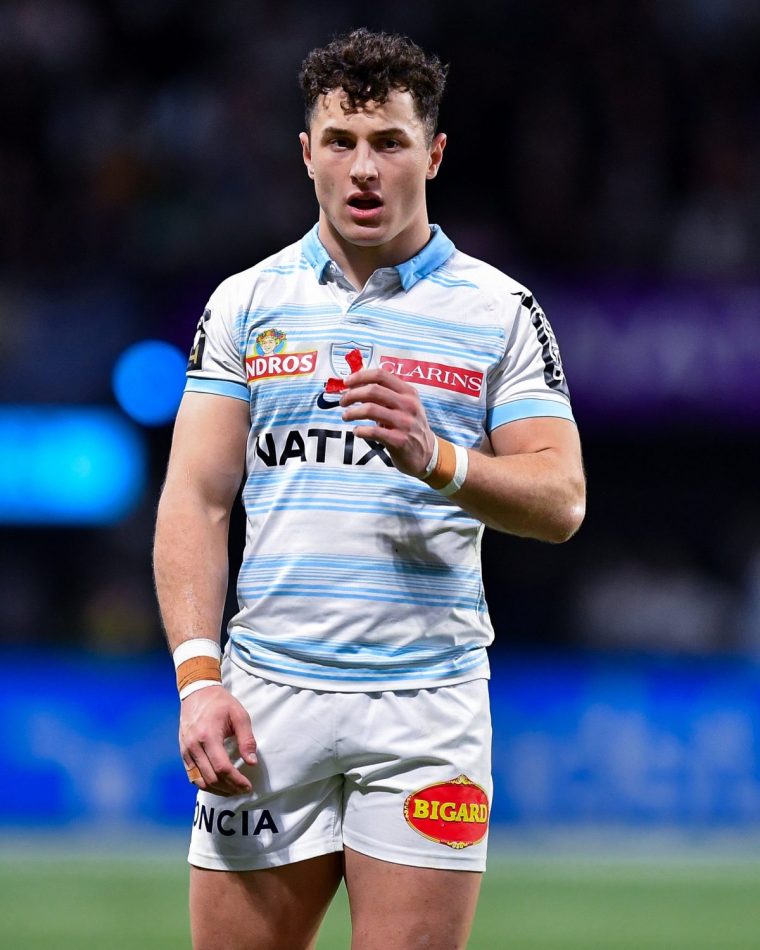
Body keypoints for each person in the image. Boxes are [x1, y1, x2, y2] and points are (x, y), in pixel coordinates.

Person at [154, 27, 585, 950]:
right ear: (306, 153)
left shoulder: (498, 311)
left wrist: (439, 458)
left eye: (388, 142)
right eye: (341, 142)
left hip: (428, 715)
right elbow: (196, 498)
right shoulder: (245, 303)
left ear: (431, 153)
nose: (363, 168)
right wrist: (199, 680)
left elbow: (562, 500)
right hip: (267, 704)